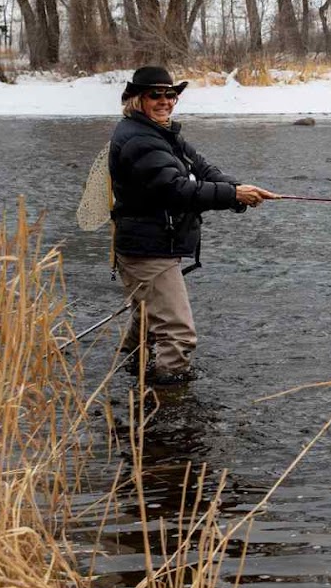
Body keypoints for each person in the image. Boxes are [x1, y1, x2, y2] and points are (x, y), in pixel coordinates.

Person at [109, 65, 278, 385]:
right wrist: (232, 195)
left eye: (170, 94)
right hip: (148, 252)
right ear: (136, 100)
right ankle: (166, 402)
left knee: (146, 323)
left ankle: (126, 386)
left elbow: (201, 168)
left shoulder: (160, 132)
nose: (165, 101)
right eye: (155, 95)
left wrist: (240, 191)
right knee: (178, 337)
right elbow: (177, 190)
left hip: (149, 246)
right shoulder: (140, 141)